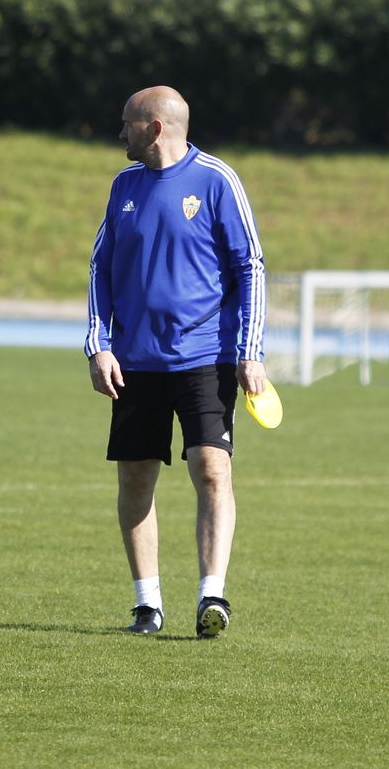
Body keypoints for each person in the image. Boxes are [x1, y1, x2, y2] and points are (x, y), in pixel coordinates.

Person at [84, 85, 267, 638]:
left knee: (211, 467)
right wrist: (99, 343)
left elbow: (251, 266)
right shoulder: (124, 185)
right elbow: (100, 267)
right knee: (136, 475)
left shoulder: (216, 180)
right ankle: (148, 605)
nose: (121, 132)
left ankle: (213, 596)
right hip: (135, 359)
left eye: (127, 122)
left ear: (155, 127)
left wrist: (250, 351)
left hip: (205, 355)